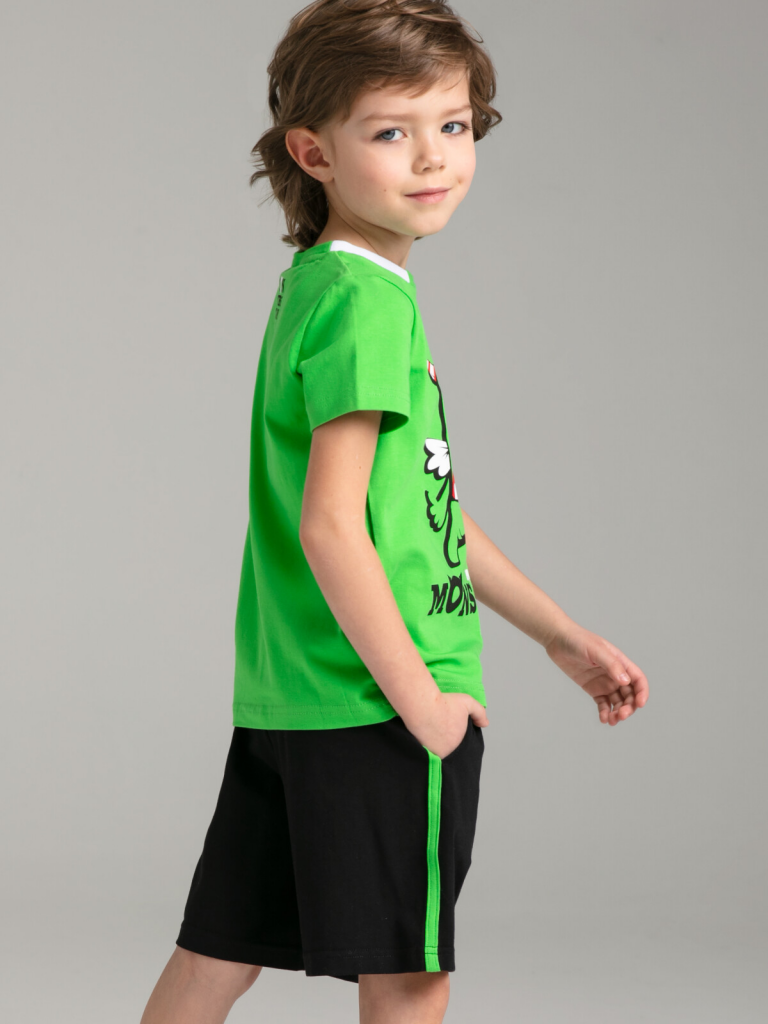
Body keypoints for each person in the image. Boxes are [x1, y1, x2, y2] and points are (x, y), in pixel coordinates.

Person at [139, 1, 649, 1022]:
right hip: (376, 701)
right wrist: (423, 705)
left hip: (294, 698)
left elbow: (425, 507)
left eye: (452, 125)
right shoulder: (370, 303)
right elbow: (331, 525)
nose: (433, 157)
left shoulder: (320, 285)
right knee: (411, 976)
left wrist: (559, 634)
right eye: (390, 131)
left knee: (215, 953)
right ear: (313, 152)